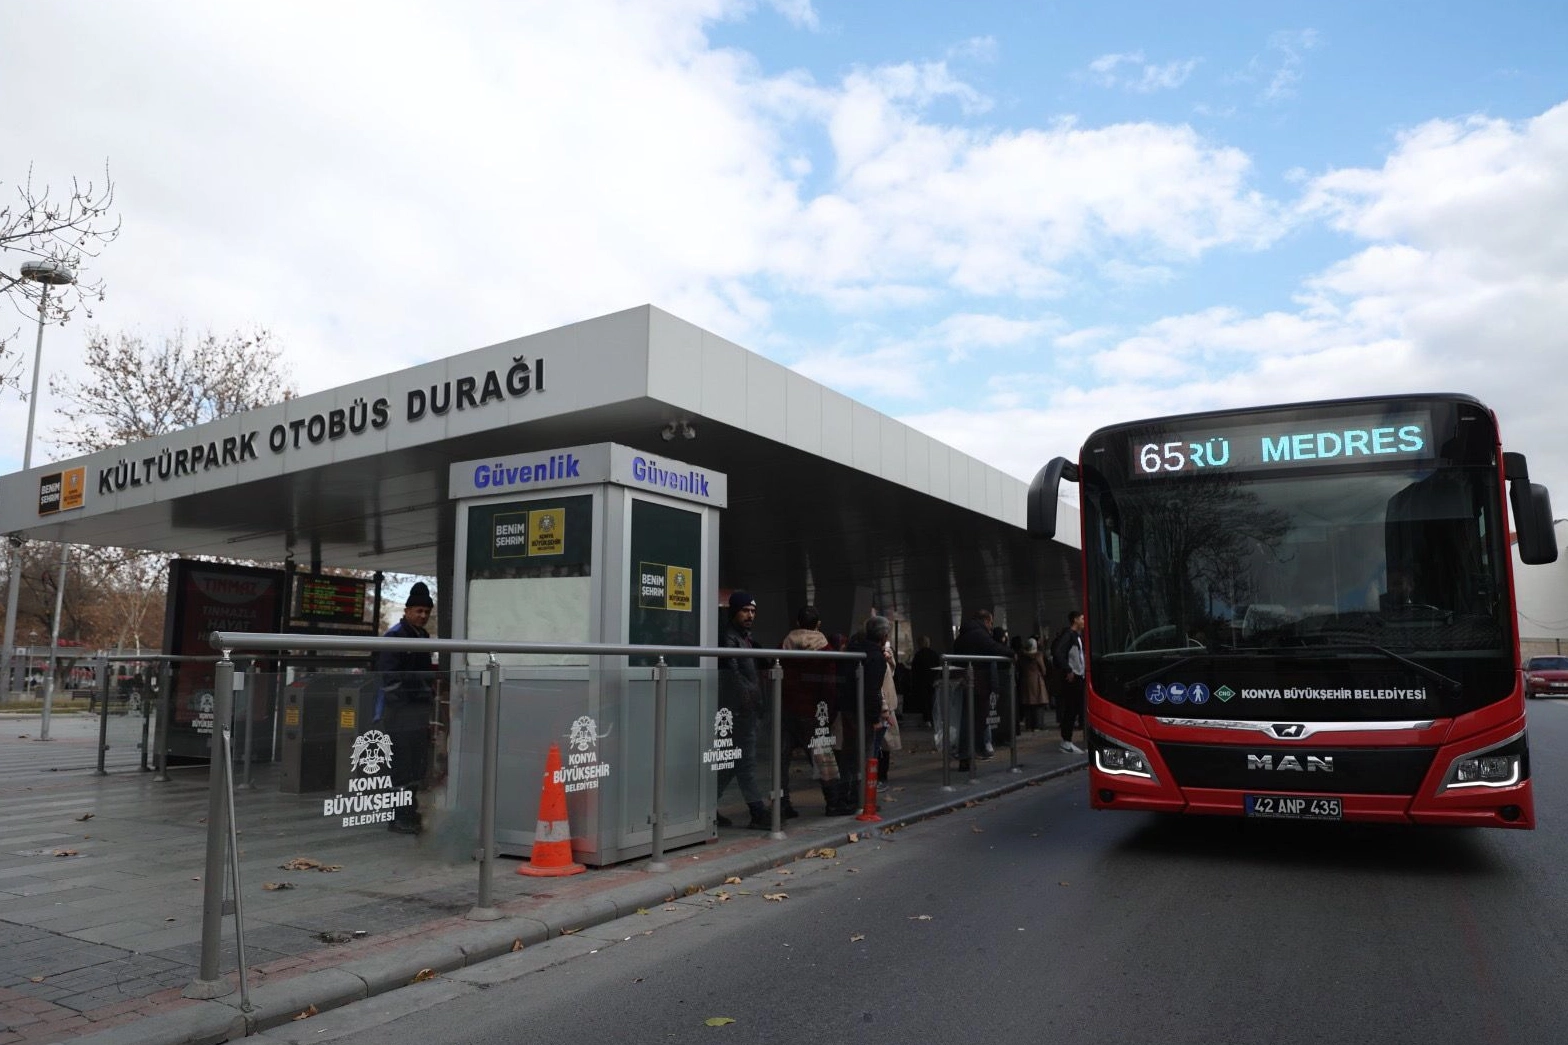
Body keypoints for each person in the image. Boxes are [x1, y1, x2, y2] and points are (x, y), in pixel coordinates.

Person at [374, 582, 439, 835]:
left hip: (417, 711)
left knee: (415, 765)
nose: (423, 615)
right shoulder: (395, 636)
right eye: (419, 611)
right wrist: (413, 698)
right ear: (407, 610)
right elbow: (389, 678)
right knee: (401, 766)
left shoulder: (421, 636)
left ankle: (408, 812)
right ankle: (398, 816)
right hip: (401, 713)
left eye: (426, 611)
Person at [780, 605, 853, 816]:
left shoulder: (782, 647)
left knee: (782, 760)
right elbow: (829, 685)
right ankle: (833, 802)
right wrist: (828, 714)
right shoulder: (825, 650)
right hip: (814, 711)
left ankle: (782, 804)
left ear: (797, 623)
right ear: (818, 624)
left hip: (787, 709)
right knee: (824, 758)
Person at [716, 590, 770, 830]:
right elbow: (733, 673)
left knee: (730, 763)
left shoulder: (744, 637)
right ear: (734, 612)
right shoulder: (729, 638)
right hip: (739, 710)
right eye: (745, 611)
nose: (750, 615)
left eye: (753, 611)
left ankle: (706, 808)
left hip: (743, 708)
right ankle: (757, 811)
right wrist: (747, 700)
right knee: (744, 761)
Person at [838, 615, 893, 804]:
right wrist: (875, 718)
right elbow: (872, 691)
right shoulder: (876, 657)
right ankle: (862, 799)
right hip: (862, 710)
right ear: (884, 636)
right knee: (865, 753)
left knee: (849, 752)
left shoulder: (853, 650)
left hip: (847, 706)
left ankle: (846, 794)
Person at [951, 609, 1012, 769]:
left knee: (967, 719)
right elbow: (993, 648)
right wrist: (1012, 653)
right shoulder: (979, 634)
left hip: (968, 681)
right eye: (991, 623)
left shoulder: (963, 635)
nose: (991, 627)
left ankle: (967, 754)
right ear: (985, 620)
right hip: (978, 683)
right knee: (975, 721)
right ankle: (969, 754)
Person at [1050, 610, 1087, 754]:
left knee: (1074, 708)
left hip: (1078, 675)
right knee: (1071, 709)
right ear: (1075, 620)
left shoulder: (1076, 636)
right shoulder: (1069, 635)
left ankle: (1067, 741)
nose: (1084, 621)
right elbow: (1058, 652)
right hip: (1073, 677)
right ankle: (1066, 741)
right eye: (1082, 618)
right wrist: (1068, 669)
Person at [1018, 637, 1050, 731]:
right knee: (1039, 703)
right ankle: (1038, 725)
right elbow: (1043, 669)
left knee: (1028, 704)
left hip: (1026, 680)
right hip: (1037, 680)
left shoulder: (1022, 656)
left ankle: (1029, 725)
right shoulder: (1038, 655)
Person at [909, 635, 940, 728]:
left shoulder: (918, 655)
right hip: (932, 681)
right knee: (933, 701)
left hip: (921, 682)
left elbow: (914, 670)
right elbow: (938, 668)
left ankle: (927, 720)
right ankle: (934, 719)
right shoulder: (934, 654)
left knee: (924, 701)